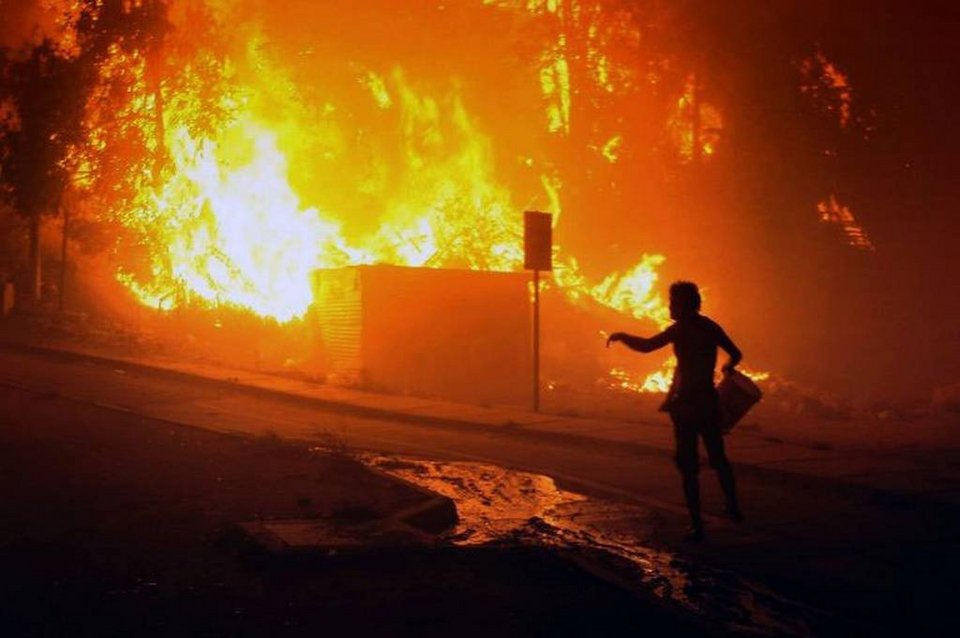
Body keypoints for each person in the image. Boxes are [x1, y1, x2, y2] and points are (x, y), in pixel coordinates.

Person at [607, 281, 744, 541]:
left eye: (672, 302)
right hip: (708, 401)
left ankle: (696, 525)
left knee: (688, 466)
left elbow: (647, 346)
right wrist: (727, 369)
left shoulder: (680, 331)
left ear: (683, 305)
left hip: (686, 406)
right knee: (718, 457)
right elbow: (736, 354)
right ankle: (733, 507)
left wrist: (623, 336)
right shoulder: (710, 326)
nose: (669, 306)